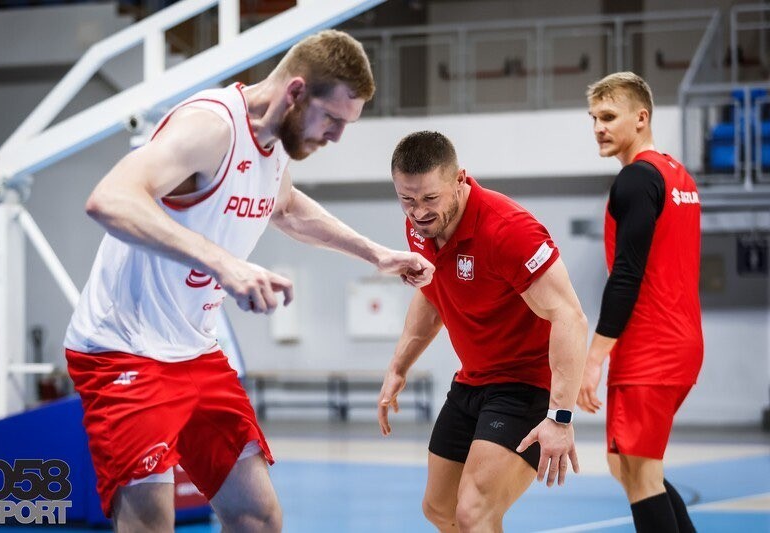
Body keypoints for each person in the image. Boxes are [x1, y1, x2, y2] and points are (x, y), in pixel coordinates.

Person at [63, 30, 435, 533]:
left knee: (258, 517)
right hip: (123, 348)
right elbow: (109, 199)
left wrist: (374, 253)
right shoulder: (210, 127)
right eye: (332, 119)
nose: (335, 137)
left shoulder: (276, 144)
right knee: (151, 522)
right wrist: (223, 263)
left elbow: (285, 207)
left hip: (193, 350)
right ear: (295, 92)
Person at [377, 131, 588, 532]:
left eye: (429, 199)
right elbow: (432, 295)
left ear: (459, 180)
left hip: (525, 385)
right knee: (439, 508)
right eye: (407, 200)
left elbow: (570, 317)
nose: (418, 212)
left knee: (474, 512)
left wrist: (560, 416)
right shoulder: (419, 230)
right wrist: (399, 366)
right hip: (472, 382)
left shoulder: (508, 230)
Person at [577, 72, 703, 533]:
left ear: (641, 117)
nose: (598, 127)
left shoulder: (635, 180)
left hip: (650, 346)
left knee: (640, 473)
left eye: (609, 117)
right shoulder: (678, 175)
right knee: (627, 467)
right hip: (680, 341)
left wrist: (593, 359)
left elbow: (627, 274)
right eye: (593, 118)